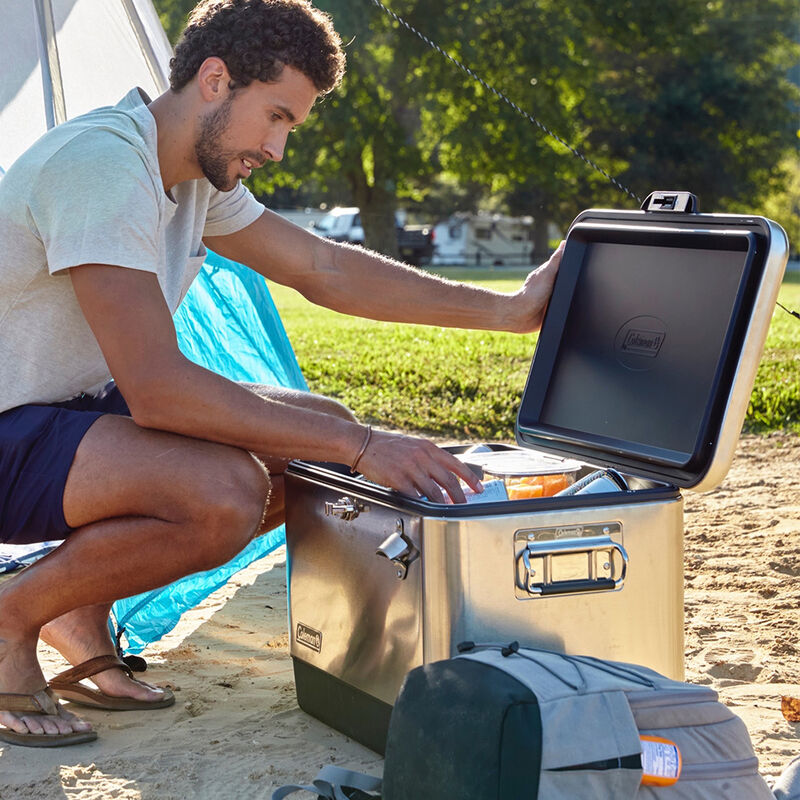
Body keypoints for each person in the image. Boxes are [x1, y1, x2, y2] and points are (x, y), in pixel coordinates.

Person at [0, 0, 562, 747]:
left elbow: (323, 266)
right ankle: (10, 620)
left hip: (58, 413)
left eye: (289, 126)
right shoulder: (103, 166)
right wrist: (363, 449)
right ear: (214, 79)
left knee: (317, 429)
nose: (278, 147)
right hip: (10, 426)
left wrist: (511, 310)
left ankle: (73, 604)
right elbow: (158, 389)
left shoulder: (193, 178)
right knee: (224, 494)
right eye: (274, 117)